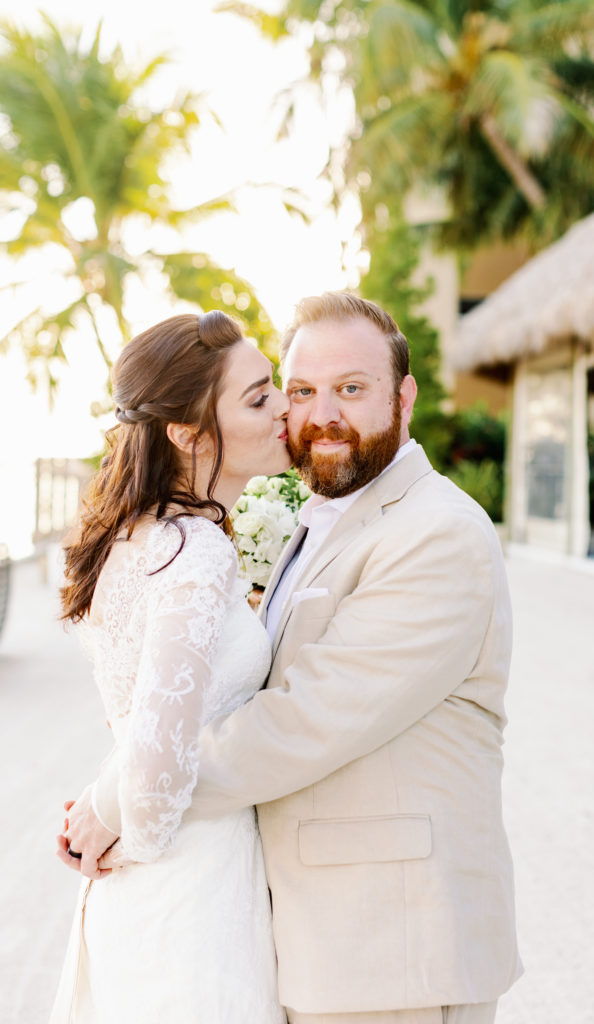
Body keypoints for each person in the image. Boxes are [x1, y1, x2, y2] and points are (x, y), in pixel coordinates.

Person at [63, 292, 522, 1023]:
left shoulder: (437, 534)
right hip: (296, 936)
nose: (316, 413)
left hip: (392, 949)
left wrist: (117, 798)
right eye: (300, 390)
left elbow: (302, 721)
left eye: (351, 388)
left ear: (403, 396)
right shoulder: (310, 525)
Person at [51, 310, 290, 1022]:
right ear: (186, 433)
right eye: (256, 398)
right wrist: (122, 814)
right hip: (193, 893)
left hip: (140, 892)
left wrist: (104, 805)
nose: (284, 406)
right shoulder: (196, 551)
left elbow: (137, 716)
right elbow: (153, 780)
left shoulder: (135, 536)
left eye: (272, 385)